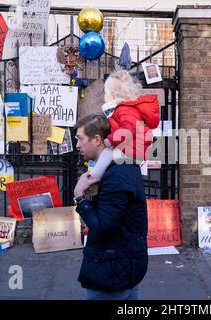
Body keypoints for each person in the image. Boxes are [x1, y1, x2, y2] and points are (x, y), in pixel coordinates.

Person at [73, 114, 148, 300]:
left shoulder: (116, 174)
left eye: (80, 139)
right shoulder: (119, 164)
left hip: (112, 271)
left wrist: (80, 197)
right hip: (124, 265)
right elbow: (115, 217)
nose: (77, 145)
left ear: (97, 139)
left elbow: (104, 228)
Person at [88, 70, 160, 181]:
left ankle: (93, 178)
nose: (104, 96)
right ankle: (96, 177)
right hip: (130, 148)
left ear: (113, 95)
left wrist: (111, 139)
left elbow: (128, 129)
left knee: (107, 154)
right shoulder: (123, 109)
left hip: (132, 149)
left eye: (106, 93)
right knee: (108, 156)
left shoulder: (125, 110)